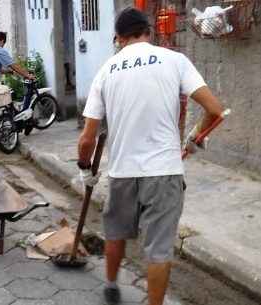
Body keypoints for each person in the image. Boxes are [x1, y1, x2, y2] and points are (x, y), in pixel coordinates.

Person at [77, 8, 224, 305]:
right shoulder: (175, 60)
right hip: (164, 171)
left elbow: (87, 139)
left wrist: (85, 169)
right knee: (158, 248)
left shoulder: (106, 70)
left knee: (116, 232)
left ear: (118, 38)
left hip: (121, 172)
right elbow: (215, 110)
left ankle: (111, 285)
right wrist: (195, 139)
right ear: (149, 31)